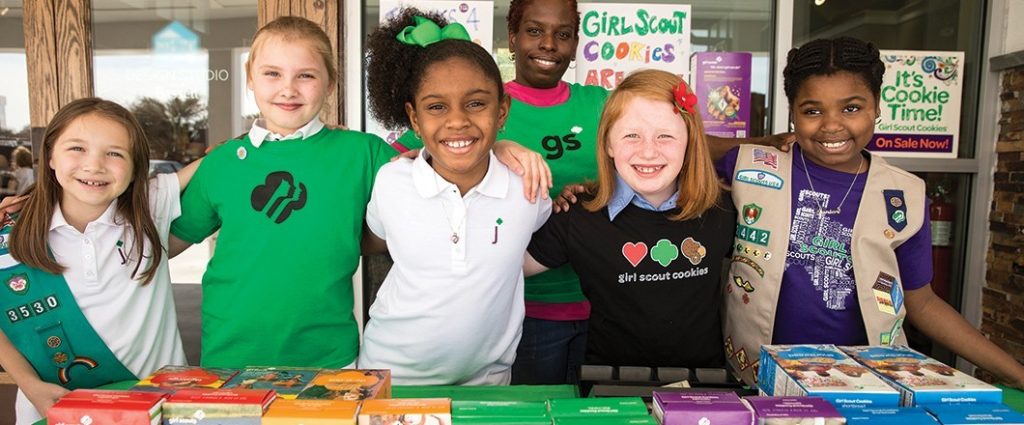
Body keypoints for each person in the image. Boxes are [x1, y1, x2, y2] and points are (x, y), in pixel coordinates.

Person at [718, 37, 1024, 387]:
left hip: (866, 385)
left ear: (876, 106)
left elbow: (922, 304)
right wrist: (758, 141)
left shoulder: (903, 195)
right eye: (812, 110)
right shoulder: (750, 166)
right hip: (758, 379)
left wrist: (1015, 373)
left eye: (851, 108)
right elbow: (686, 146)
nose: (832, 125)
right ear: (793, 113)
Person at [357, 10, 551, 385]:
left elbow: (538, 239)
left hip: (489, 384)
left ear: (502, 111)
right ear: (414, 119)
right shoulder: (391, 182)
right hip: (389, 379)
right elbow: (377, 241)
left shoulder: (527, 187)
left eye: (476, 103)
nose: (457, 120)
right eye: (436, 107)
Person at [0, 97, 200, 424]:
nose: (94, 165)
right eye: (76, 148)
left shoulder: (151, 206)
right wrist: (30, 384)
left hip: (154, 408)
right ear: (50, 155)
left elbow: (221, 161)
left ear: (136, 167)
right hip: (50, 408)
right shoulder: (10, 234)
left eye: (114, 153)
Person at [524, 69, 734, 369]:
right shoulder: (578, 215)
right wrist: (500, 151)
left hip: (703, 392)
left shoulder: (724, 210)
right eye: (631, 135)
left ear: (690, 142)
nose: (648, 151)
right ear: (608, 143)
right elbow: (499, 268)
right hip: (609, 392)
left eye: (665, 136)